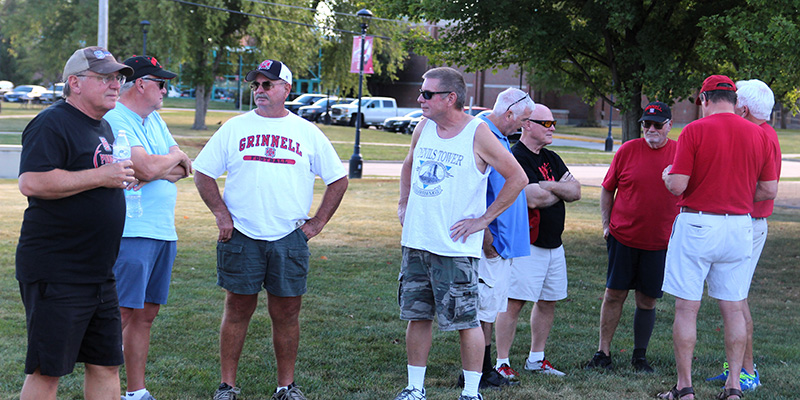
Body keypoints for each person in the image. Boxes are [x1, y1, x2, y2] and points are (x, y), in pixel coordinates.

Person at [193, 59, 348, 400]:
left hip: (288, 236)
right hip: (242, 234)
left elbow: (338, 179)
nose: (259, 91)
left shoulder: (307, 132)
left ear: (286, 89)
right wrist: (221, 214)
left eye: (267, 84)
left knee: (288, 312)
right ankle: (227, 386)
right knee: (237, 308)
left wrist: (317, 222)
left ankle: (286, 386)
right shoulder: (235, 128)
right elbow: (202, 172)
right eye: (256, 85)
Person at [394, 67, 527, 400]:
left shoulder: (478, 133)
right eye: (422, 92)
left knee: (466, 321)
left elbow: (517, 178)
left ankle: (471, 392)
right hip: (417, 241)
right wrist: (403, 202)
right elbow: (409, 162)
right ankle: (414, 388)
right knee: (417, 315)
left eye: (427, 94)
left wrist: (484, 220)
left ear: (450, 98)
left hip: (455, 248)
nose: (420, 98)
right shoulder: (423, 127)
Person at [15, 46, 134, 400]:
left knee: (106, 364)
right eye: (105, 78)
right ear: (75, 83)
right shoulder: (51, 122)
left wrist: (113, 178)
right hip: (58, 270)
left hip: (99, 272)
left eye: (118, 78)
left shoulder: (105, 127)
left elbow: (98, 177)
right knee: (47, 369)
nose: (116, 85)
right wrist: (100, 176)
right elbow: (32, 182)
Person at [659, 75, 777, 400]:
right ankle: (734, 387)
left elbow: (679, 184)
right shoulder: (759, 134)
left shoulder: (694, 130)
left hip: (697, 223)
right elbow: (768, 189)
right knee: (734, 309)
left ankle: (684, 388)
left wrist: (668, 176)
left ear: (703, 98)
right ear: (735, 100)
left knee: (687, 308)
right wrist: (735, 192)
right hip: (740, 225)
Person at [103, 55, 192, 400]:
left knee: (146, 314)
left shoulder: (154, 119)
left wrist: (159, 166)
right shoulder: (116, 117)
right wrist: (164, 163)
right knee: (122, 313)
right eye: (161, 83)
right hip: (131, 231)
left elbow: (182, 168)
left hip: (162, 231)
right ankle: (104, 385)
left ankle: (136, 392)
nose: (165, 91)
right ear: (140, 84)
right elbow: (148, 167)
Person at [584, 101, 679, 373]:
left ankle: (640, 356)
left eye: (657, 124)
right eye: (646, 124)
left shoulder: (680, 153)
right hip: (623, 237)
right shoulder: (627, 151)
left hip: (660, 242)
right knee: (614, 294)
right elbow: (607, 190)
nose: (650, 129)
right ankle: (603, 352)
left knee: (647, 300)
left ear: (669, 126)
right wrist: (606, 225)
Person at [494, 103, 581, 379]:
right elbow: (532, 198)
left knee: (548, 301)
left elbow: (576, 191)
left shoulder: (551, 157)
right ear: (527, 124)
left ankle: (536, 358)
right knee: (514, 303)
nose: (552, 127)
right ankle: (501, 362)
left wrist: (550, 185)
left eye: (553, 122)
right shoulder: (514, 156)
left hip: (555, 244)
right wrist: (558, 188)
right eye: (546, 123)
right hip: (527, 243)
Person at [705, 79, 781, 391]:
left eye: (735, 100)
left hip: (749, 224)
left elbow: (768, 189)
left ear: (744, 108)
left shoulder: (761, 136)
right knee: (734, 298)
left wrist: (729, 197)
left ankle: (747, 372)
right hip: (744, 222)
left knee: (737, 299)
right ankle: (736, 367)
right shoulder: (760, 132)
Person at [469, 88, 534, 389]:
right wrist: (488, 242)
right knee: (484, 309)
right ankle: (478, 372)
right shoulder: (485, 137)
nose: (523, 127)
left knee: (490, 308)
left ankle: (482, 368)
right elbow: (475, 196)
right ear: (509, 114)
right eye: (522, 121)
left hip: (503, 245)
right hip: (494, 244)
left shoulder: (500, 137)